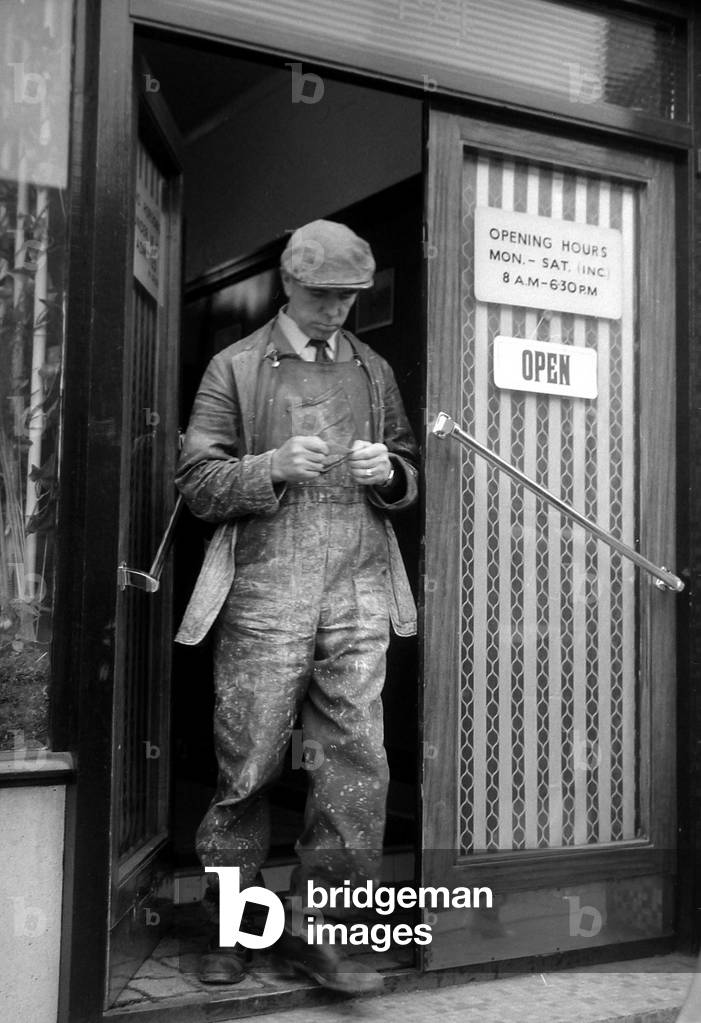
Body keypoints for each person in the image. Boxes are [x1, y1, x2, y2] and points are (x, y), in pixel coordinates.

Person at [175, 220, 419, 993]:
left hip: (358, 586)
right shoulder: (235, 366)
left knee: (357, 764)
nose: (337, 311)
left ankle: (327, 931)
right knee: (247, 764)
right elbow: (196, 485)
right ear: (289, 282)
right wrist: (270, 464)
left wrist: (391, 472)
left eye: (349, 298)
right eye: (324, 297)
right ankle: (231, 927)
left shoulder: (373, 371)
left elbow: (410, 471)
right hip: (264, 590)